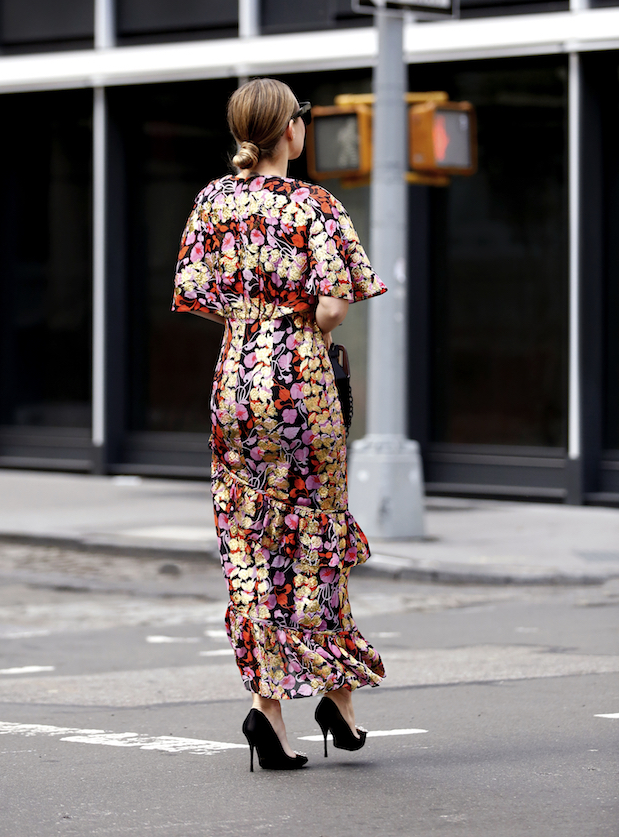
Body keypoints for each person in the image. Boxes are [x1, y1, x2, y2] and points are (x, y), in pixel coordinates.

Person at [172, 77, 387, 771]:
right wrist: (298, 319)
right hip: (300, 384)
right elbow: (331, 308)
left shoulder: (212, 200)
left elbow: (196, 295)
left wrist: (250, 318)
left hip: (236, 382)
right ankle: (340, 697)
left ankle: (270, 711)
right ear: (291, 130)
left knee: (251, 544)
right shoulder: (314, 205)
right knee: (316, 536)